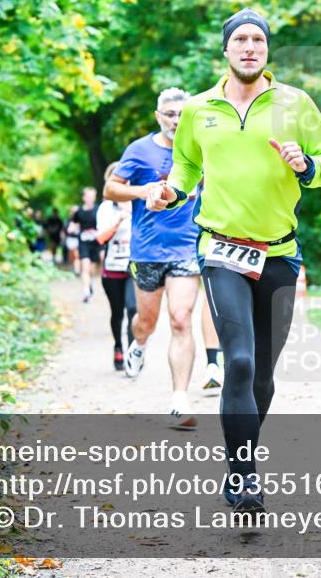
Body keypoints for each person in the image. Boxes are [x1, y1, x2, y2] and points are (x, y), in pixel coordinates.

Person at [144, 8, 321, 515]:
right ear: (226, 49)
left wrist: (306, 165)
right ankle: (244, 477)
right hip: (221, 250)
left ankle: (241, 458)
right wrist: (171, 191)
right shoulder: (199, 108)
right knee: (241, 360)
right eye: (241, 39)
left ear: (267, 50)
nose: (249, 47)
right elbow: (186, 164)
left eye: (258, 40)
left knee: (262, 375)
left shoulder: (296, 103)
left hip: (279, 253)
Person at [103, 88, 203, 430]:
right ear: (158, 116)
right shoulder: (139, 150)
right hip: (147, 250)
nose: (176, 120)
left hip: (187, 247)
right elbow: (110, 189)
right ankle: (140, 343)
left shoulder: (201, 148)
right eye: (170, 114)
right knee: (146, 321)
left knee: (181, 319)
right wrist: (141, 190)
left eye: (182, 114)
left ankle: (179, 400)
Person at [97, 163, 137, 371]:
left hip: (134, 266)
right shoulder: (106, 208)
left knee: (133, 308)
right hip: (112, 267)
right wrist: (118, 220)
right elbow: (101, 238)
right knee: (117, 312)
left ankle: (132, 353)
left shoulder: (137, 203)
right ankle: (118, 346)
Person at [70, 188, 101, 302]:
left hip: (95, 243)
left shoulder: (98, 210)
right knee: (85, 267)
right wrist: (71, 229)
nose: (90, 198)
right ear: (84, 198)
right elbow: (73, 224)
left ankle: (89, 284)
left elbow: (104, 224)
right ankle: (86, 291)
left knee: (92, 270)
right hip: (83, 243)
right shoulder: (79, 212)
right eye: (88, 196)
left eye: (92, 196)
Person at [65, 205, 80, 275]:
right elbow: (66, 230)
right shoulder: (68, 220)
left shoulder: (81, 219)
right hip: (70, 239)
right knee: (71, 255)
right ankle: (71, 266)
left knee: (77, 255)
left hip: (78, 239)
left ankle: (77, 269)